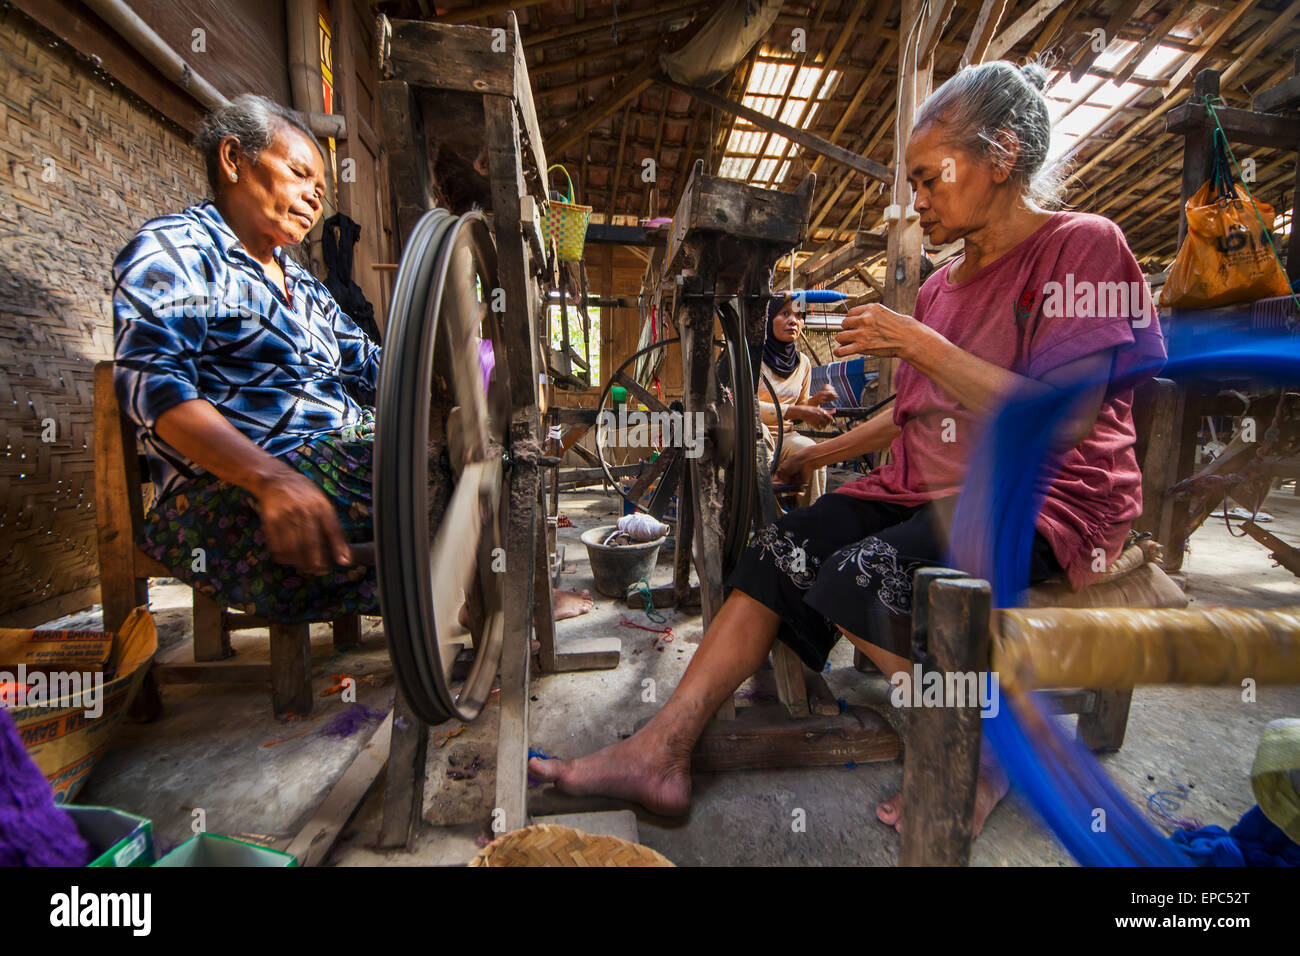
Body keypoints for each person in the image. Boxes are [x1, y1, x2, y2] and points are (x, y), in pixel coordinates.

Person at [529, 61, 1167, 835]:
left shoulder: (1083, 248)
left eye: (932, 179)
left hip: (1045, 499)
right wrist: (814, 456)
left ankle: (984, 743)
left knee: (859, 577)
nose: (918, 200)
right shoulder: (938, 287)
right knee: (776, 551)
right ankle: (662, 749)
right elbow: (912, 416)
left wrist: (921, 345)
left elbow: (1063, 422)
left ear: (1000, 156)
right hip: (928, 487)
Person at [113, 93, 593, 630]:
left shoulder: (301, 284)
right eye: (299, 175)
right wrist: (268, 478)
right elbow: (153, 390)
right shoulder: (175, 251)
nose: (314, 200)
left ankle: (490, 597)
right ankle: (494, 600)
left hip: (328, 463)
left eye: (320, 190)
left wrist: (461, 367)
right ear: (233, 159)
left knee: (484, 453)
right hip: (232, 492)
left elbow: (378, 366)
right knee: (444, 470)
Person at [757, 294, 838, 507]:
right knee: (760, 436)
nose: (794, 321)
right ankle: (770, 522)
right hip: (755, 434)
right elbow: (748, 407)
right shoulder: (754, 358)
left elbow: (801, 407)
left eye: (799, 315)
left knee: (812, 453)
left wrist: (816, 400)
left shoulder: (802, 363)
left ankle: (809, 522)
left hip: (785, 435)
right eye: (785, 314)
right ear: (768, 319)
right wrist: (799, 412)